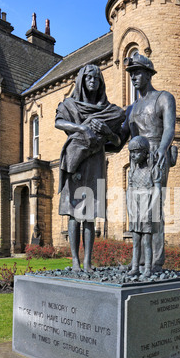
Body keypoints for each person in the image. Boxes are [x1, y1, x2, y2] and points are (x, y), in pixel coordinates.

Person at [55, 64, 125, 272]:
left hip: (95, 162)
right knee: (73, 213)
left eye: (97, 78)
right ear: (82, 81)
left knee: (90, 214)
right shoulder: (70, 105)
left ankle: (87, 262)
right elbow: (59, 122)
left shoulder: (108, 111)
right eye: (89, 78)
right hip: (75, 160)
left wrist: (107, 132)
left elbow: (118, 142)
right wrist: (82, 127)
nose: (93, 81)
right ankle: (75, 261)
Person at [120, 53, 177, 272]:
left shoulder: (164, 98)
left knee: (153, 211)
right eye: (131, 73)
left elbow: (170, 128)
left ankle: (156, 261)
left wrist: (162, 149)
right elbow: (122, 135)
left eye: (138, 73)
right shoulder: (131, 108)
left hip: (156, 155)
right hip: (136, 159)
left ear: (148, 74)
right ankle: (139, 261)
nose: (134, 77)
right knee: (136, 212)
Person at [127, 136, 162, 277]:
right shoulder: (132, 171)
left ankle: (148, 268)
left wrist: (150, 209)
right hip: (135, 208)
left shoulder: (153, 169)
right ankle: (135, 267)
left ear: (145, 152)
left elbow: (157, 190)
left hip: (147, 207)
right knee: (135, 240)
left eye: (137, 152)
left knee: (147, 241)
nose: (134, 156)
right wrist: (129, 207)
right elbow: (129, 190)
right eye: (132, 153)